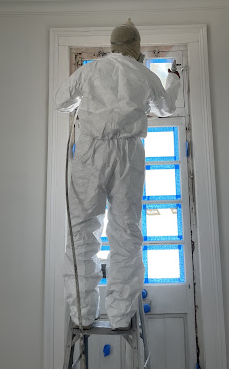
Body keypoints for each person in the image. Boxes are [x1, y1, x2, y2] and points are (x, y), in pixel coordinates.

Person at [54, 19, 180, 329]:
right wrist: (174, 79)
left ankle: (82, 314)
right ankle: (122, 315)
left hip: (89, 153)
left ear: (111, 46)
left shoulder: (88, 71)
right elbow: (166, 108)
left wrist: (87, 108)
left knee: (81, 231)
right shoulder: (144, 74)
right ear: (136, 49)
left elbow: (61, 102)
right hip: (127, 154)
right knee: (125, 232)